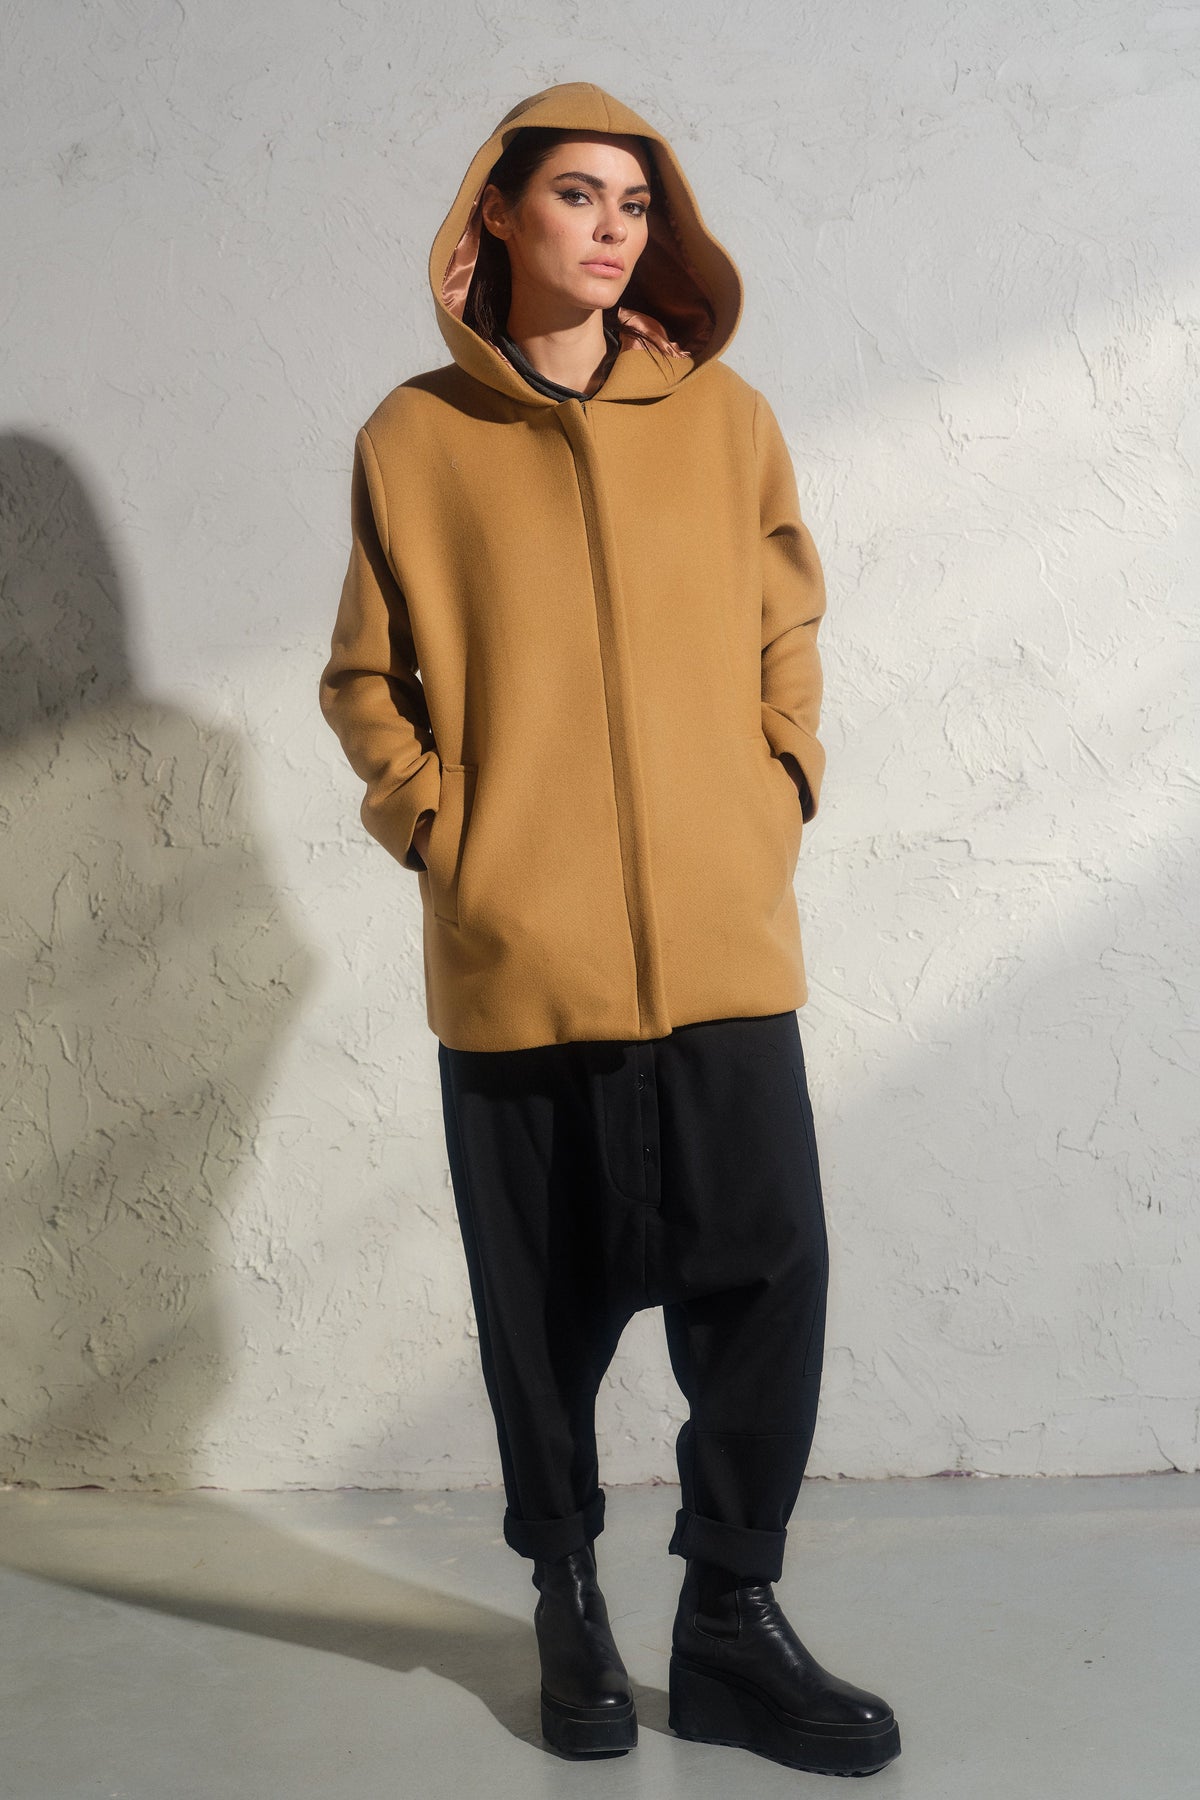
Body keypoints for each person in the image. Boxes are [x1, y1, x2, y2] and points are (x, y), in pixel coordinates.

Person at [318, 80, 901, 1778]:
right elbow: (366, 677)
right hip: (522, 957)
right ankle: (566, 1594)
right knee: (541, 1303)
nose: (613, 229)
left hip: (720, 941)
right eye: (578, 195)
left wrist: (778, 781)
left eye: (636, 204)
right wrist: (448, 835)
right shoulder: (416, 438)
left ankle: (729, 1620)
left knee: (770, 1272)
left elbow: (788, 625)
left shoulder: (727, 421)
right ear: (496, 213)